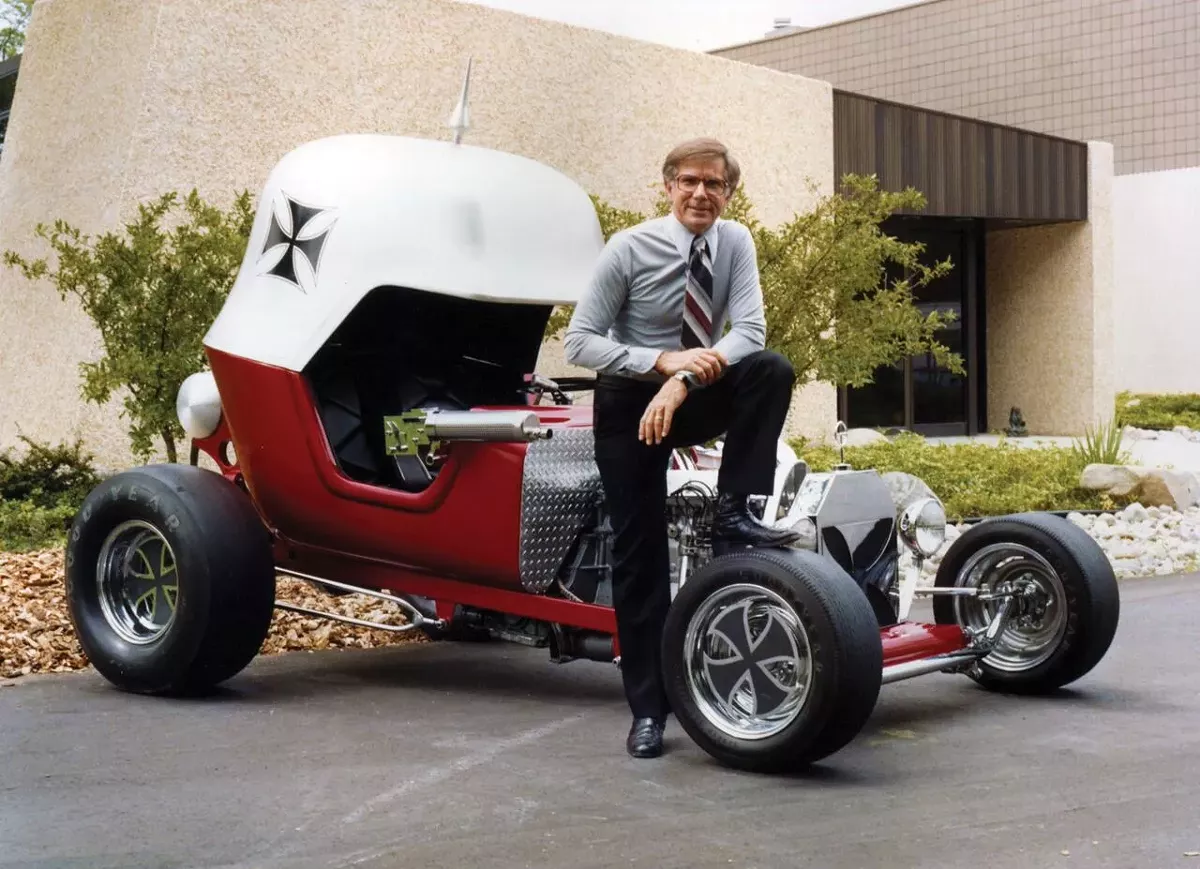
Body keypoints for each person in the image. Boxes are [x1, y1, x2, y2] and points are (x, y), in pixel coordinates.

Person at [564, 137, 802, 760]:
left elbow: (750, 331)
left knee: (770, 369)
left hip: (687, 390)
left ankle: (734, 511)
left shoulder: (735, 242)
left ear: (729, 192)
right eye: (690, 181)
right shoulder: (629, 248)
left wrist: (686, 378)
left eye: (715, 184)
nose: (702, 194)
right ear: (668, 185)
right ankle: (649, 710)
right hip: (628, 405)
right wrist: (660, 361)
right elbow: (580, 341)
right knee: (639, 556)